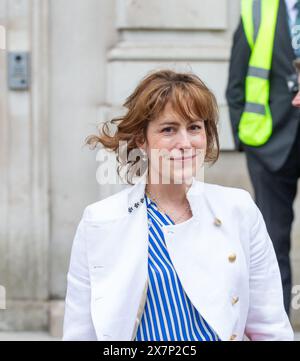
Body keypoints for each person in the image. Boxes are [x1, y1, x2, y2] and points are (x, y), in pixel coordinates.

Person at [63, 69, 293, 341]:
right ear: (141, 140)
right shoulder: (100, 221)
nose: (185, 143)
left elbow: (271, 328)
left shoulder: (238, 210)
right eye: (168, 129)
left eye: (194, 127)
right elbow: (80, 332)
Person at [226, 0, 300, 315]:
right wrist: (248, 144)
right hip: (270, 146)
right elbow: (236, 86)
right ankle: (275, 328)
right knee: (272, 244)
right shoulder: (257, 10)